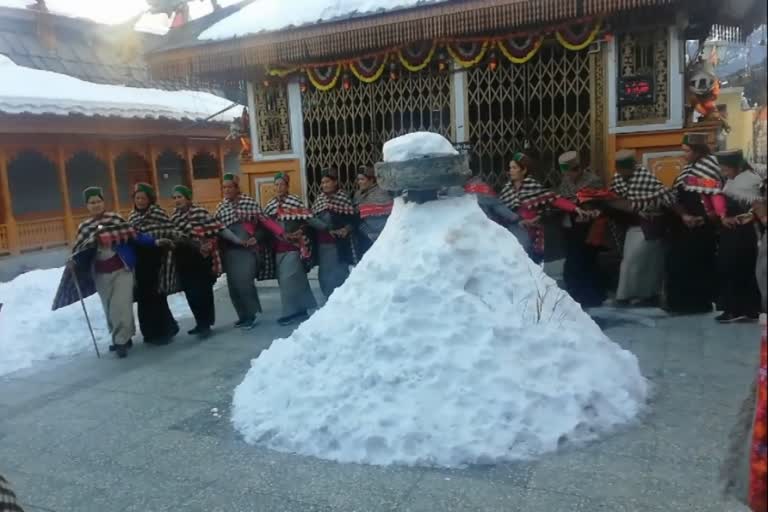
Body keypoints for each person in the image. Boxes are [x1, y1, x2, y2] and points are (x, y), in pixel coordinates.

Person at [52, 187, 163, 358]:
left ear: (103, 202)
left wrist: (155, 242)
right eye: (91, 202)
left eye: (98, 201)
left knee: (121, 305)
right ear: (87, 205)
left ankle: (120, 341)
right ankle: (123, 336)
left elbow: (135, 235)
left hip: (121, 269)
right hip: (100, 274)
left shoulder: (115, 219)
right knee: (109, 308)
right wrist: (73, 261)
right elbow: (80, 249)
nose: (95, 205)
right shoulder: (85, 227)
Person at [170, 185, 244, 338]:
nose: (177, 200)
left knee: (202, 292)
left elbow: (218, 228)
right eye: (175, 197)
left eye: (180, 197)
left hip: (201, 259)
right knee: (190, 294)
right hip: (184, 260)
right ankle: (200, 322)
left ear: (188, 198)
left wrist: (238, 241)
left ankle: (206, 323)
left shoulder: (200, 213)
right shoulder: (174, 218)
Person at [665, 133, 725, 314]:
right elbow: (678, 195)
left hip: (702, 229)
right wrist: (683, 215)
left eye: (687, 151)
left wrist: (701, 219)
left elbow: (717, 199)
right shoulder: (688, 169)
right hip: (684, 227)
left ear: (699, 151)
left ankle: (698, 304)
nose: (684, 155)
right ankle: (679, 304)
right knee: (677, 264)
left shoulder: (710, 168)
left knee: (698, 267)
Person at [608, 149, 674, 307]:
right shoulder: (618, 178)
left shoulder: (645, 177)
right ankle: (631, 295)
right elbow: (614, 197)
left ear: (631, 168)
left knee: (646, 263)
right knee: (631, 262)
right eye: (618, 169)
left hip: (650, 226)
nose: (620, 173)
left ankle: (643, 296)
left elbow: (666, 198)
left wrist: (645, 207)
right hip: (633, 226)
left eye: (623, 169)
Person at [499, 151, 586, 263]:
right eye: (510, 167)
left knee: (532, 263)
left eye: (514, 168)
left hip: (533, 233)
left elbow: (555, 199)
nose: (510, 170)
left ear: (524, 170)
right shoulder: (507, 190)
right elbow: (501, 210)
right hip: (514, 232)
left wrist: (575, 208)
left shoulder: (533, 187)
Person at [128, 183, 180, 344]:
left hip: (158, 260)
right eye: (137, 198)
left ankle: (166, 330)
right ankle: (149, 333)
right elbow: (130, 238)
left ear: (150, 199)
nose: (140, 201)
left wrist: (158, 241)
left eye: (143, 198)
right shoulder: (132, 218)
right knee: (144, 298)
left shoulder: (159, 213)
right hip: (140, 262)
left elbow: (170, 231)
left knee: (157, 296)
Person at [263, 172, 318, 325]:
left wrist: (299, 232)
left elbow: (306, 222)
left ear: (287, 186)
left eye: (282, 184)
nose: (278, 187)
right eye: (276, 184)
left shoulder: (295, 202)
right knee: (288, 281)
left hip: (293, 247)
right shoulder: (270, 205)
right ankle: (301, 311)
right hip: (278, 249)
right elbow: (265, 226)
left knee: (290, 280)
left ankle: (290, 313)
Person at [714, 150, 762, 323]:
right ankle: (740, 308)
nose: (723, 173)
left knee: (738, 267)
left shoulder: (750, 180)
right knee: (731, 267)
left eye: (726, 169)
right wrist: (723, 217)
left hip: (744, 231)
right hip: (731, 230)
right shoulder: (733, 179)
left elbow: (758, 205)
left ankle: (740, 309)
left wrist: (749, 216)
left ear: (737, 166)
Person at [214, 174, 265, 330]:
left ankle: (251, 314)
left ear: (237, 188)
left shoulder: (249, 203)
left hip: (247, 251)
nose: (227, 190)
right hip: (230, 252)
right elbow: (217, 229)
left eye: (230, 186)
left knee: (244, 283)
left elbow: (264, 225)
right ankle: (242, 316)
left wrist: (256, 238)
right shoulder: (221, 207)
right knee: (234, 286)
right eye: (224, 187)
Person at [557, 151, 606, 308]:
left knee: (587, 261)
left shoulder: (593, 181)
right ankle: (574, 295)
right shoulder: (565, 181)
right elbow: (561, 198)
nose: (567, 176)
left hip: (589, 226)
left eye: (569, 172)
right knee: (572, 260)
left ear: (577, 169)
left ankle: (591, 297)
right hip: (570, 225)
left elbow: (601, 201)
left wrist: (587, 208)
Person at [310, 168, 357, 298]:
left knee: (340, 272)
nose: (324, 185)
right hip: (323, 245)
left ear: (335, 182)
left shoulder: (343, 198)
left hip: (339, 244)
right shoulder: (319, 200)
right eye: (322, 182)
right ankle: (328, 301)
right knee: (324, 273)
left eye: (327, 182)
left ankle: (341, 299)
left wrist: (346, 229)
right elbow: (312, 219)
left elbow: (353, 220)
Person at [463, 174, 530, 252]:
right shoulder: (482, 188)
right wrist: (516, 218)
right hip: (491, 226)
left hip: (476, 228)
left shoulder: (464, 192)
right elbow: (500, 208)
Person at [353, 165, 393, 256]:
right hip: (361, 233)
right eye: (358, 179)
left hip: (378, 233)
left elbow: (386, 211)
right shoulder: (358, 194)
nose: (359, 182)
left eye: (362, 179)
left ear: (371, 180)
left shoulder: (381, 192)